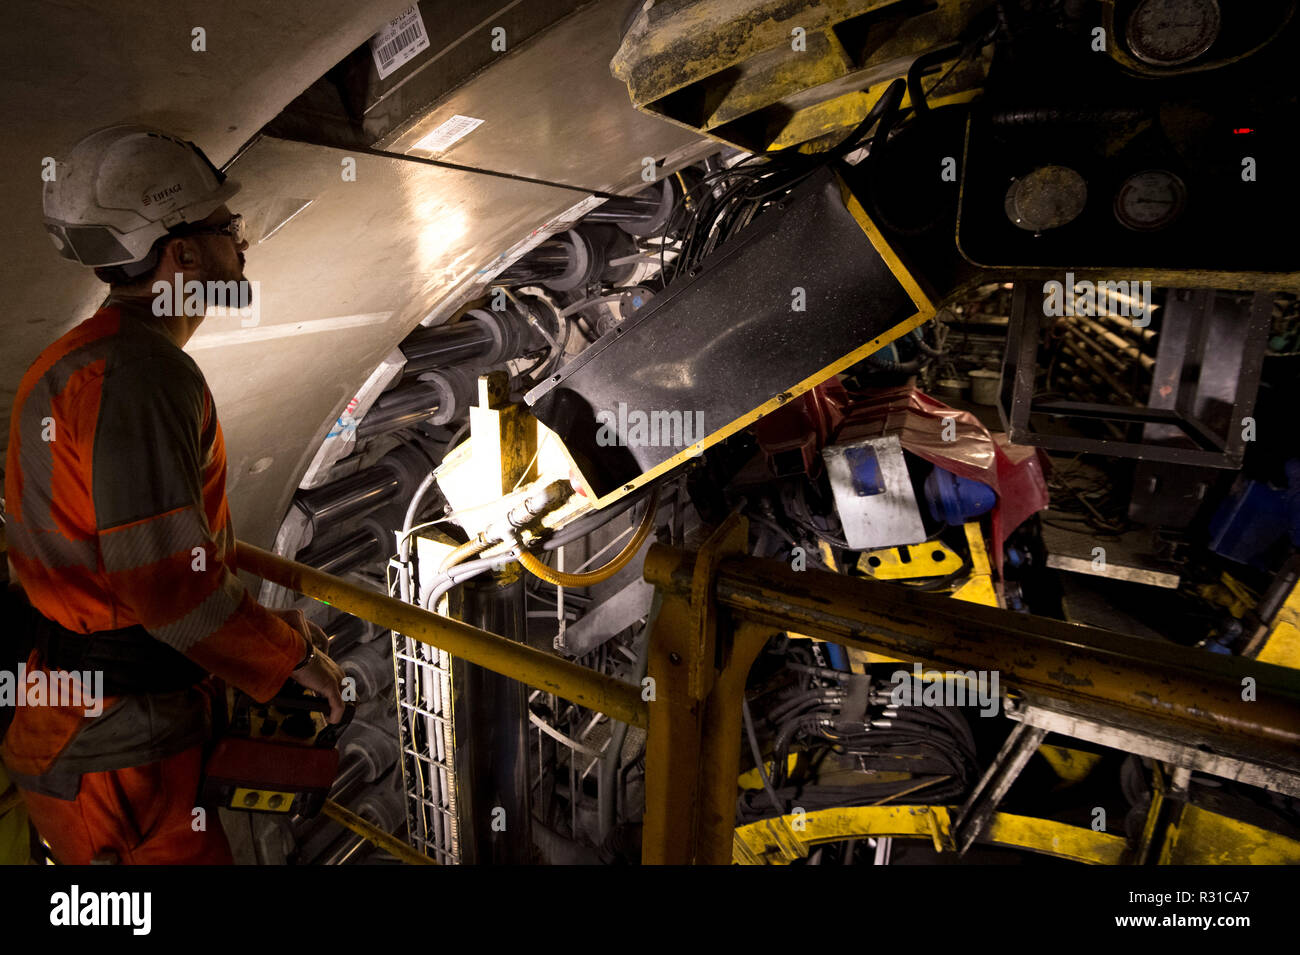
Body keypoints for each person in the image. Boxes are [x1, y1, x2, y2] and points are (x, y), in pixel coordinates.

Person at [1, 125, 345, 864]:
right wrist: (287, 658)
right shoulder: (140, 378)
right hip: (115, 750)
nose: (241, 244)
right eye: (226, 229)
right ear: (181, 255)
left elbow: (133, 571)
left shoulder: (86, 359)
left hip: (90, 727)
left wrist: (260, 629)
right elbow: (165, 589)